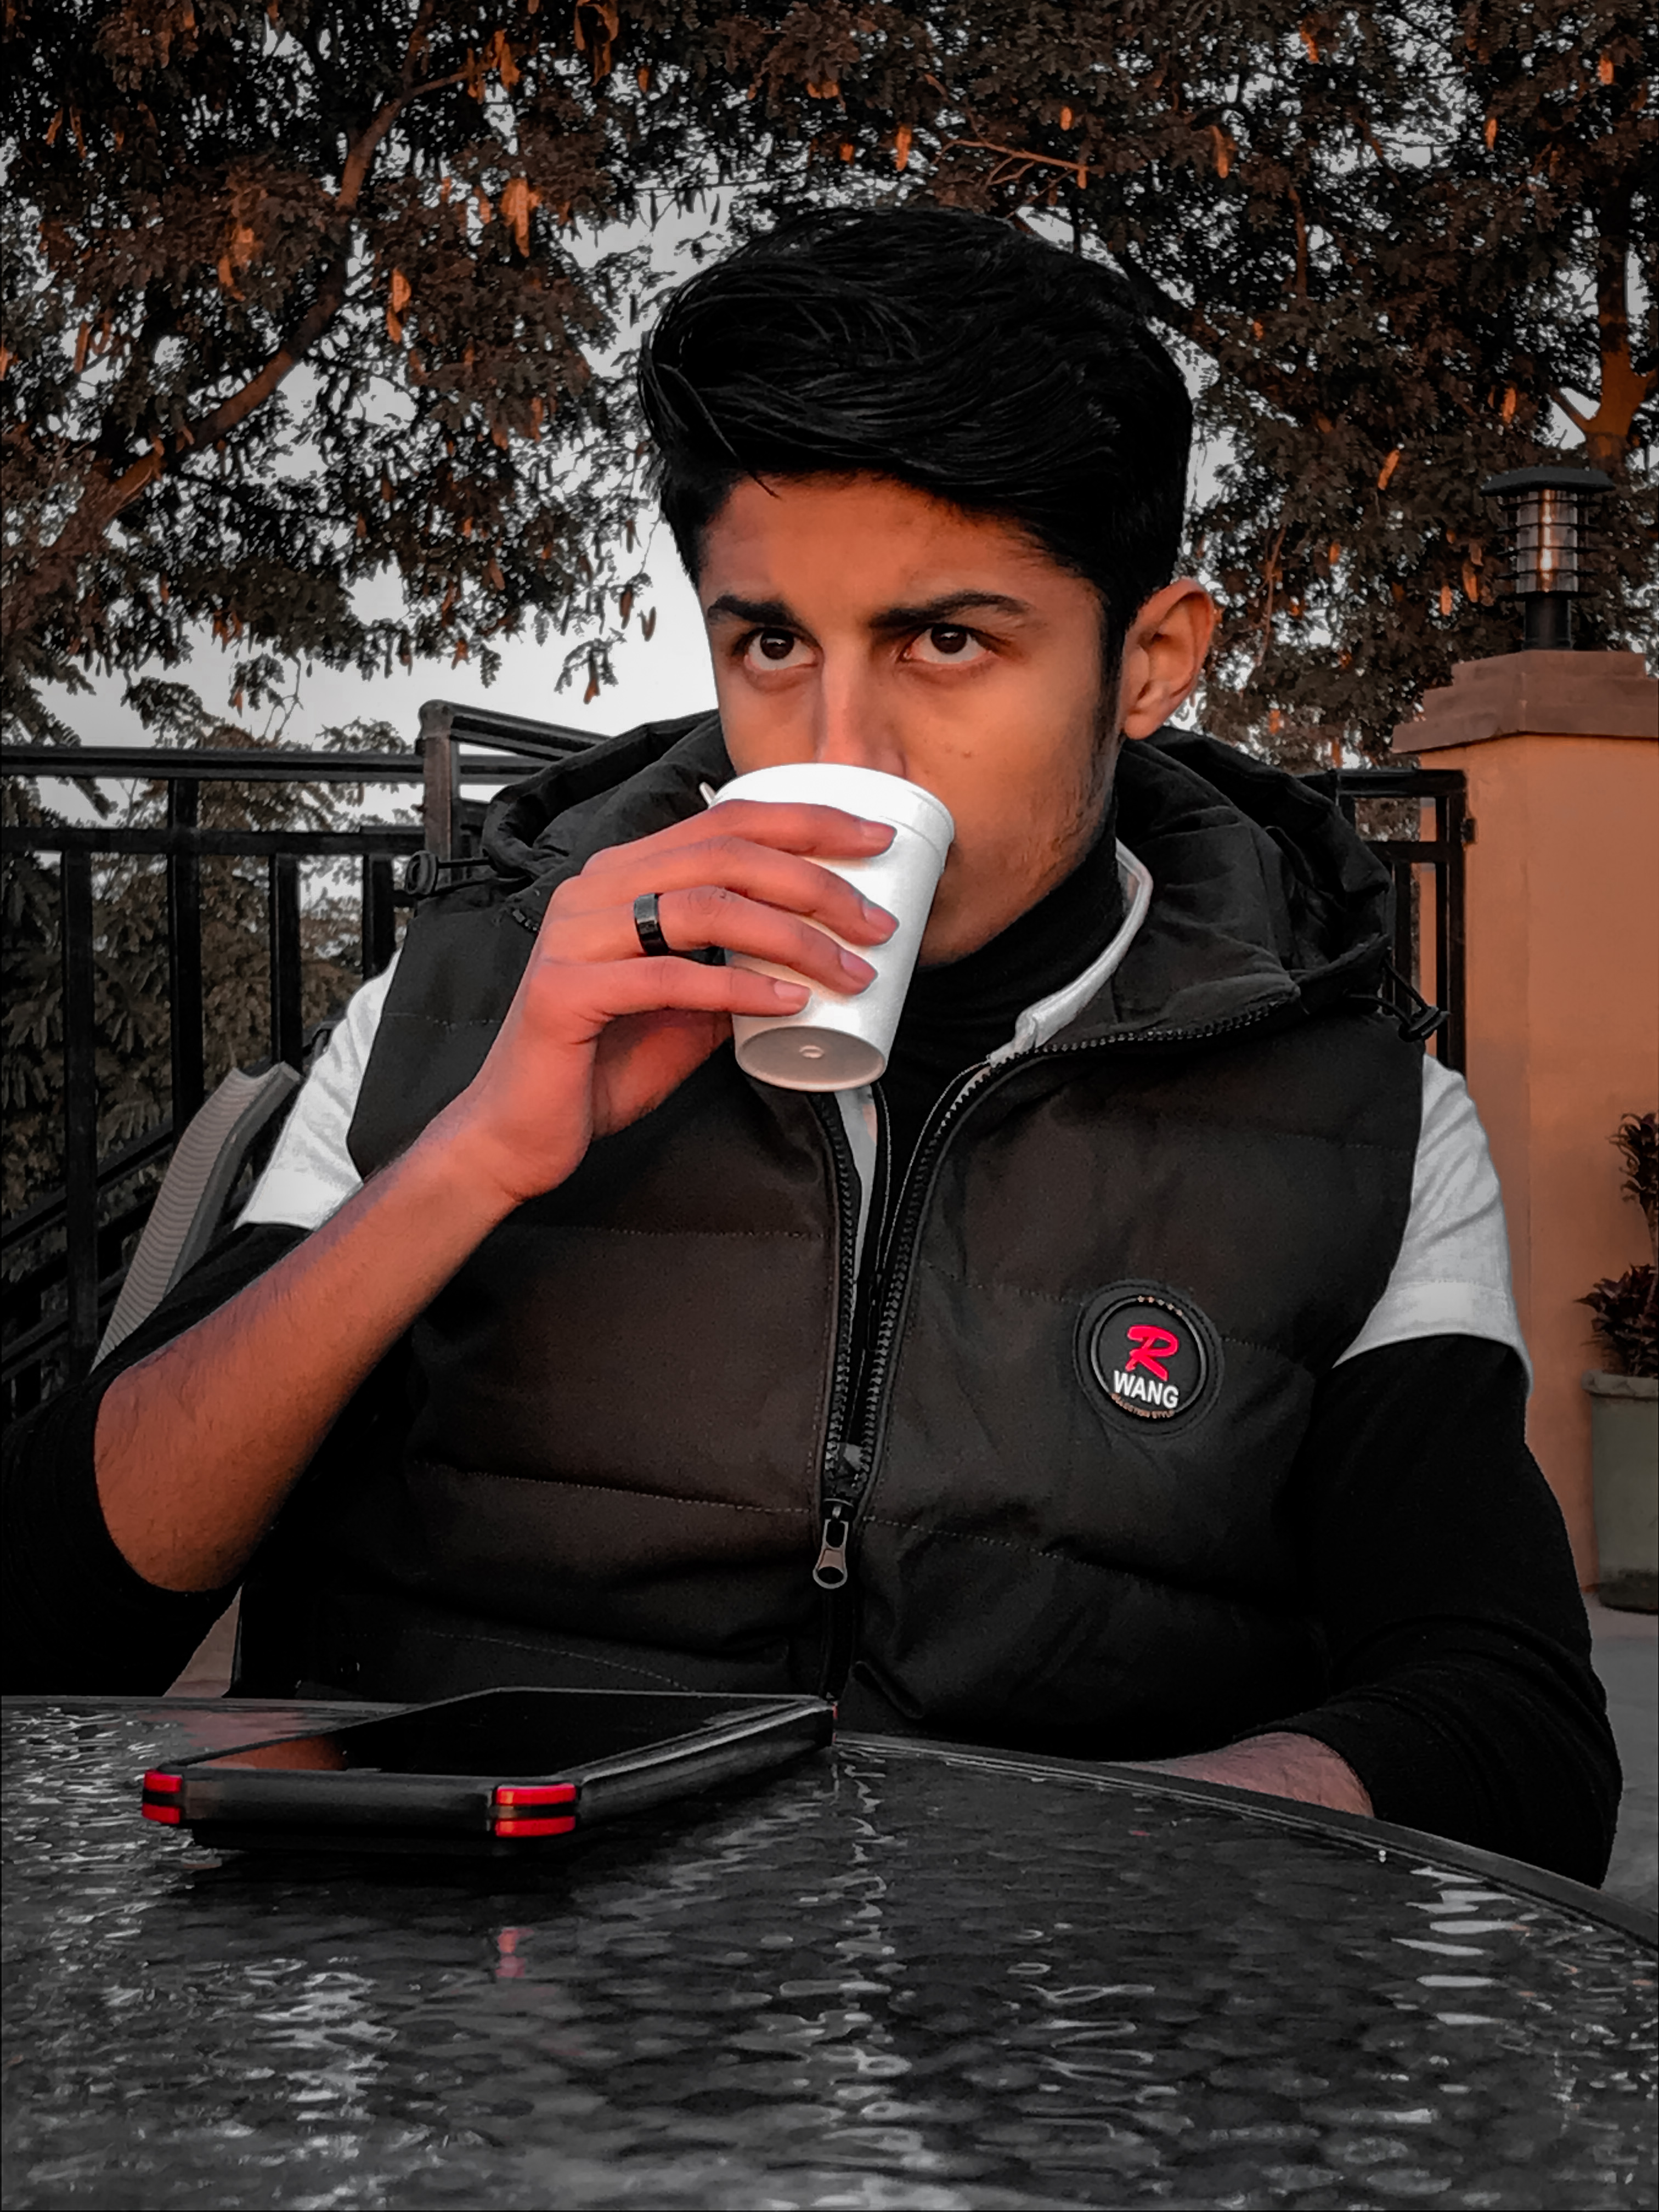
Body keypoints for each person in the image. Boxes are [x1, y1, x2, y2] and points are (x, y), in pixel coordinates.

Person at [3, 208, 1618, 1882]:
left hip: (1056, 2001)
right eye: (772, 643)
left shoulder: (1362, 1114)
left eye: (947, 641)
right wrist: (473, 1157)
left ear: (1149, 661)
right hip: (465, 1980)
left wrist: (1064, 1879)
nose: (844, 750)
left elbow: (1513, 1736)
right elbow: (51, 1626)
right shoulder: (466, 1000)